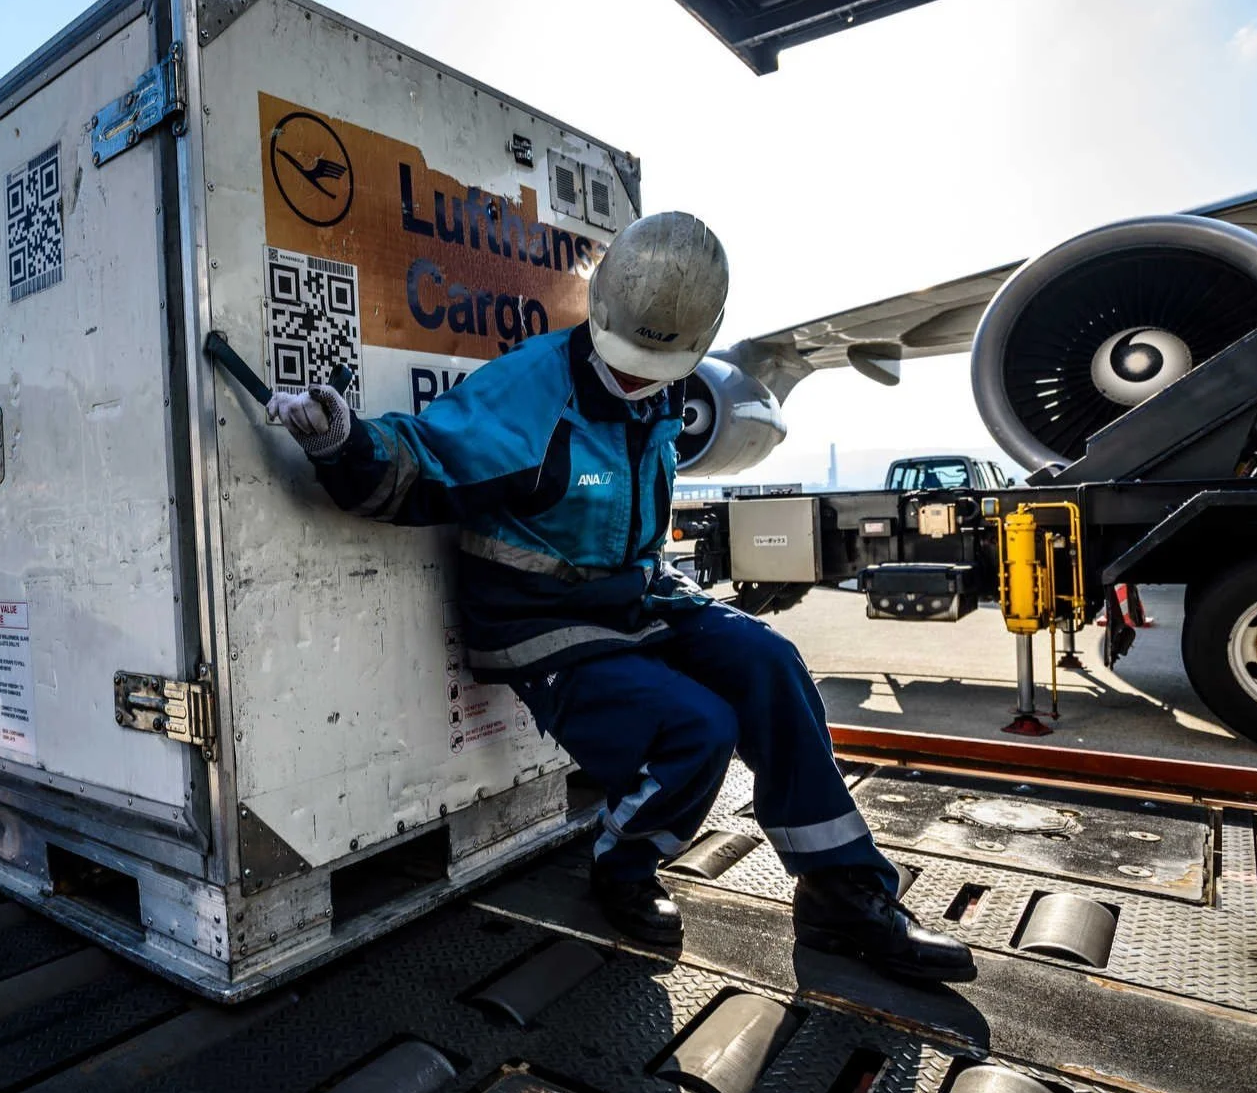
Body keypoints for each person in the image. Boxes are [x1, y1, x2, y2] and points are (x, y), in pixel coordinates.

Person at [268, 212, 973, 983]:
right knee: (697, 729)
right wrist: (341, 441)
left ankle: (842, 890)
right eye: (629, 360)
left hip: (634, 597)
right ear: (599, 308)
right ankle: (624, 867)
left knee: (770, 661)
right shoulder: (532, 394)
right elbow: (421, 462)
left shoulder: (662, 393)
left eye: (659, 366)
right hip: (539, 620)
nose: (638, 379)